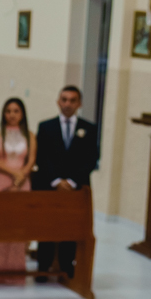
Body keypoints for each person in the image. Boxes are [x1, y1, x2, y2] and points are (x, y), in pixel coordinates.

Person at [34, 86, 99, 281]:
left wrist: (71, 181)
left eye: (72, 100)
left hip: (76, 188)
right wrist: (56, 181)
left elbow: (92, 158)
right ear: (58, 102)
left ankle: (66, 266)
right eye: (64, 99)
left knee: (70, 227)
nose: (68, 104)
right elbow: (41, 157)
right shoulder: (46, 127)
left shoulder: (89, 128)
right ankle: (43, 267)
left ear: (79, 104)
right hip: (50, 185)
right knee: (47, 226)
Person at [0, 98, 36, 285]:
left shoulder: (30, 135)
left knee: (16, 226)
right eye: (8, 111)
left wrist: (21, 177)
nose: (12, 115)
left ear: (22, 114)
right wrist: (13, 173)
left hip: (22, 183)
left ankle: (14, 270)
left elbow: (31, 160)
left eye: (16, 111)